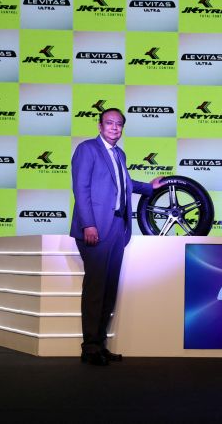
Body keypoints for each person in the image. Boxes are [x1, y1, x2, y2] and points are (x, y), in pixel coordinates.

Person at [70, 108, 163, 366]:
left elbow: (125, 184)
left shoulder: (119, 154)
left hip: (118, 227)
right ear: (100, 126)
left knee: (109, 289)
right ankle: (89, 348)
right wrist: (89, 224)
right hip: (96, 228)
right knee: (96, 289)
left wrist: (150, 188)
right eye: (109, 123)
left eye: (119, 124)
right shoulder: (87, 149)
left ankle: (100, 345)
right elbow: (81, 188)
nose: (114, 128)